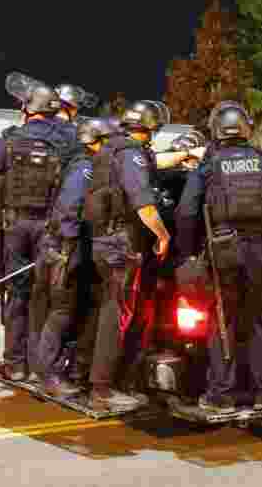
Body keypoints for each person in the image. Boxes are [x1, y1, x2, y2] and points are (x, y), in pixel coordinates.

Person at [174, 101, 262, 412]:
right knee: (259, 321)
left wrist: (189, 253)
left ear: (217, 130)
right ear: (247, 128)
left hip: (223, 251)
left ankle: (221, 394)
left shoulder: (208, 166)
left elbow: (187, 211)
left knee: (222, 322)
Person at [0, 73, 76, 382]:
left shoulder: (10, 137)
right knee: (45, 295)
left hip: (15, 227)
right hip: (50, 228)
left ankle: (15, 364)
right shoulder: (68, 140)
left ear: (28, 108)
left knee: (17, 294)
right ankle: (42, 364)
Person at [83, 100, 171, 411]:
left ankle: (96, 379)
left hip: (104, 239)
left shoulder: (112, 149)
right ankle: (102, 389)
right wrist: (162, 234)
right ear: (151, 127)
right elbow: (143, 204)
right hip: (122, 243)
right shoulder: (132, 154)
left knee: (107, 308)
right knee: (116, 313)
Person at [31, 118, 109, 396]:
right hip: (65, 249)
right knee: (60, 312)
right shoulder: (86, 169)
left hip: (65, 247)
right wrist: (69, 246)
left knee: (68, 310)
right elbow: (69, 210)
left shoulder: (81, 165)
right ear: (94, 141)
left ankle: (55, 369)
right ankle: (48, 375)